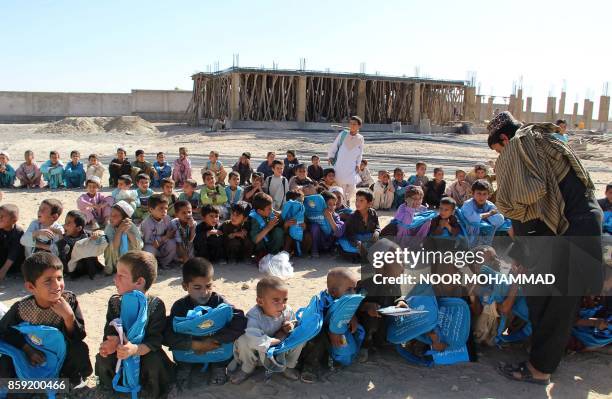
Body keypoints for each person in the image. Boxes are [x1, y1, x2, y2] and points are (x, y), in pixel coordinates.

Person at [487, 111, 603, 384]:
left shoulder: (518, 146)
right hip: (584, 223)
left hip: (569, 229)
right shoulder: (547, 139)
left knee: (545, 300)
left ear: (504, 138)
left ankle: (539, 370)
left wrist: (521, 255)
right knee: (560, 304)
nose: (498, 158)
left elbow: (524, 202)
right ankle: (545, 362)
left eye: (497, 150)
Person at [0, 252, 93, 390]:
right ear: (31, 287)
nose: (57, 285)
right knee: (6, 362)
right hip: (32, 351)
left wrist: (69, 318)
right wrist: (27, 350)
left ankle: (70, 381)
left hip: (60, 352)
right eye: (48, 280)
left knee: (79, 349)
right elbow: (4, 331)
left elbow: (78, 337)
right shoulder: (22, 308)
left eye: (59, 278)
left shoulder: (69, 300)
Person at [95, 251, 174, 398]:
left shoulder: (155, 305)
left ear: (139, 282)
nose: (115, 279)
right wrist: (112, 343)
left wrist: (134, 349)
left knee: (154, 361)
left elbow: (154, 341)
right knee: (103, 358)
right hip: (121, 350)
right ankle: (107, 388)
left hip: (144, 351)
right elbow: (111, 329)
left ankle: (151, 391)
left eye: (121, 275)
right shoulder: (115, 303)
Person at [164, 258, 247, 389]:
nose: (204, 292)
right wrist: (194, 344)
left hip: (215, 347)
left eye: (208, 286)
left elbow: (240, 321)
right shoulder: (180, 307)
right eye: (197, 287)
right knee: (180, 353)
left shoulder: (219, 302)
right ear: (185, 286)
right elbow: (168, 333)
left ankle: (218, 368)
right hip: (189, 350)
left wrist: (214, 339)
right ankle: (184, 369)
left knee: (227, 349)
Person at [231, 276, 303, 384]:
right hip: (259, 352)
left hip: (280, 350)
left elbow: (294, 322)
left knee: (300, 337)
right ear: (260, 301)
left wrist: (290, 326)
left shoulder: (287, 310)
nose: (282, 305)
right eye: (276, 300)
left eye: (285, 300)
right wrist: (280, 337)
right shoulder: (254, 316)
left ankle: (288, 366)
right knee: (243, 340)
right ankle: (247, 368)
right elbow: (256, 342)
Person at [300, 268, 359, 382]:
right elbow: (311, 323)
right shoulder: (321, 302)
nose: (353, 293)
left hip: (337, 331)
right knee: (318, 336)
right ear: (333, 292)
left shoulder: (345, 301)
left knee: (346, 348)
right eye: (349, 290)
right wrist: (331, 331)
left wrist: (352, 316)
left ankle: (333, 358)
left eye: (355, 289)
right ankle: (310, 366)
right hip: (319, 333)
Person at [55, 210, 105, 279]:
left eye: (68, 223)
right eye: (65, 222)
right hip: (73, 267)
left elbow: (100, 234)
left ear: (79, 228)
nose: (65, 225)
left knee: (88, 247)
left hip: (87, 265)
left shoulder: (87, 235)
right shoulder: (63, 239)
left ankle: (94, 273)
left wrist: (97, 234)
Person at [327, 116, 364, 207]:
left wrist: (358, 164)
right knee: (340, 184)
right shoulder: (343, 134)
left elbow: (360, 153)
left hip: (352, 165)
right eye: (351, 123)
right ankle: (341, 204)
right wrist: (331, 156)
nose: (352, 126)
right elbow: (335, 145)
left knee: (352, 187)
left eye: (354, 124)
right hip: (340, 164)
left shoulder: (360, 138)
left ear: (359, 126)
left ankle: (346, 201)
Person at [103, 201, 143, 275]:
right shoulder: (109, 227)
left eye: (115, 215)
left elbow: (139, 244)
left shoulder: (131, 226)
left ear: (124, 218)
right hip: (115, 260)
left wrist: (127, 232)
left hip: (130, 258)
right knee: (108, 244)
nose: (111, 217)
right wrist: (119, 230)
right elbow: (114, 246)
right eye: (111, 214)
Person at [461, 180, 505, 247]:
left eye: (484, 194)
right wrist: (489, 214)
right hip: (470, 239)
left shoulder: (489, 205)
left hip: (486, 241)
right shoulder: (467, 205)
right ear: (472, 193)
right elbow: (473, 219)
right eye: (479, 193)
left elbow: (500, 219)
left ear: (488, 195)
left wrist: (484, 217)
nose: (482, 197)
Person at [140, 195, 177, 269]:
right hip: (151, 245)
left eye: (166, 208)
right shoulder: (147, 223)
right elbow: (148, 240)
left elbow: (170, 233)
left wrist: (165, 238)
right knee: (148, 251)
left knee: (172, 243)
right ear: (151, 209)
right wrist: (165, 237)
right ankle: (152, 266)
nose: (164, 211)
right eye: (161, 208)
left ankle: (165, 263)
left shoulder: (167, 218)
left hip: (162, 242)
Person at [343, 190, 380, 261]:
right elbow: (349, 234)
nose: (357, 203)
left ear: (369, 203)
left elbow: (377, 226)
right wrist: (357, 242)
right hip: (356, 240)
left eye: (361, 201)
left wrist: (377, 231)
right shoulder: (352, 216)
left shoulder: (373, 213)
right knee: (348, 248)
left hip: (369, 238)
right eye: (356, 200)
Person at [309, 190, 346, 258]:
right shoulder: (315, 215)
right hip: (319, 242)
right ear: (322, 205)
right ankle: (314, 249)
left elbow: (338, 233)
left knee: (342, 224)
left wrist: (330, 217)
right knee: (314, 226)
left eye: (334, 204)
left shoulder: (335, 216)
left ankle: (333, 249)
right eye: (329, 204)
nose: (332, 207)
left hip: (330, 242)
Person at [249, 193, 285, 260]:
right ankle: (262, 255)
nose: (272, 211)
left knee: (278, 231)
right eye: (269, 209)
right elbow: (255, 240)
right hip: (260, 245)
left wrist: (279, 214)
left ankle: (274, 254)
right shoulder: (254, 219)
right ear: (259, 211)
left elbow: (280, 215)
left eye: (272, 208)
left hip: (269, 241)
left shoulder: (267, 213)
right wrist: (269, 227)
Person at [0, 204, 25, 280]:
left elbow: (13, 253)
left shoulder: (18, 232)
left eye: (1, 217)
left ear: (14, 220)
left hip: (12, 264)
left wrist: (3, 271)